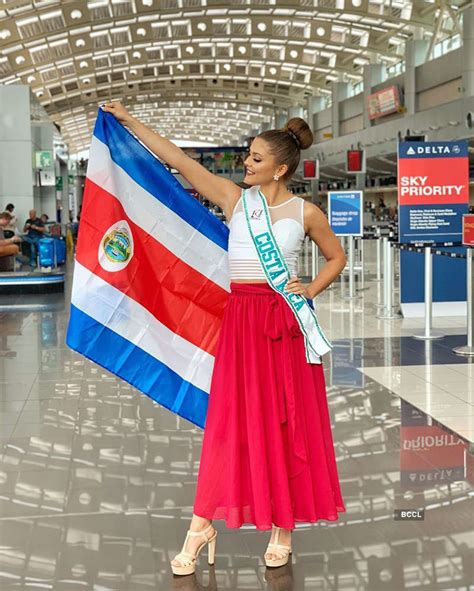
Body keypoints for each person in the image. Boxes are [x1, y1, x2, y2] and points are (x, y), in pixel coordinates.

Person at [102, 101, 347, 575]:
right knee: (229, 423)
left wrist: (310, 288)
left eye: (255, 159)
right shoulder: (237, 200)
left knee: (286, 419)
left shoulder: (306, 212)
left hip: (284, 324)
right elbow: (180, 161)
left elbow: (335, 258)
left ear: (280, 167)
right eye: (247, 156)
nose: (246, 164)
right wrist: (132, 121)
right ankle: (201, 525)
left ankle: (283, 528)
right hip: (241, 323)